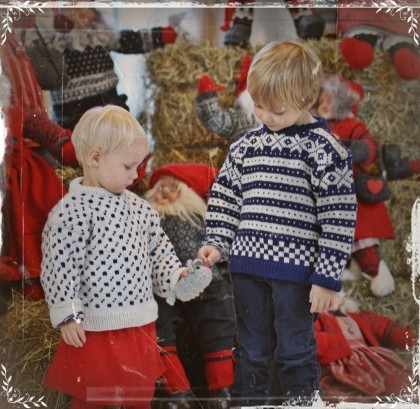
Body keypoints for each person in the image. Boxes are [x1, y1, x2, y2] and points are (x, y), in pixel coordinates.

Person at [197, 40, 358, 406]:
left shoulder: (324, 150)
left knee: (295, 351)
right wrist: (217, 241)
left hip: (295, 276)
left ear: (307, 99)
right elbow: (225, 197)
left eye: (277, 109)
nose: (265, 116)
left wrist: (326, 278)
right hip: (247, 270)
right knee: (250, 351)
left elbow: (338, 218)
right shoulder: (245, 147)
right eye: (258, 105)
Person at [40, 105, 212, 409]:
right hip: (95, 326)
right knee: (90, 395)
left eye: (139, 166)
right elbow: (60, 265)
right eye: (129, 166)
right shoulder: (72, 212)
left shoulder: (140, 208)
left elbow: (159, 250)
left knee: (138, 392)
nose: (136, 175)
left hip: (138, 322)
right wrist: (68, 313)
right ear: (95, 158)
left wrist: (176, 277)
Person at [144, 163, 237, 409]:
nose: (163, 192)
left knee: (217, 319)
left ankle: (222, 388)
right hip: (164, 285)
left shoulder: (199, 219)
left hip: (205, 281)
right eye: (160, 188)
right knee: (160, 325)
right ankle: (176, 392)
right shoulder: (148, 222)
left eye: (172, 188)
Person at [314, 75, 395, 297]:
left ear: (341, 103)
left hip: (348, 194)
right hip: (319, 195)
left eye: (330, 101)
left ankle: (375, 270)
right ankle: (338, 271)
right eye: (321, 102)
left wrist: (358, 150)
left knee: (359, 233)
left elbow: (371, 144)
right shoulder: (311, 126)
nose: (324, 106)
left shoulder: (351, 125)